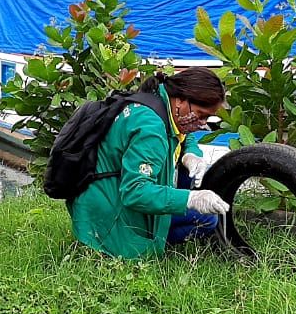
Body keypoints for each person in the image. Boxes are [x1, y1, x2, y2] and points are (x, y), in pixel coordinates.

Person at [68, 68, 230, 259]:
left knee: (195, 177)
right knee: (207, 219)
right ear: (181, 100)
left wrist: (191, 155)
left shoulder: (157, 100)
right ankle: (150, 243)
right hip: (109, 212)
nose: (202, 123)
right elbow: (135, 192)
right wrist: (189, 199)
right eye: (201, 115)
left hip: (101, 191)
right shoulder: (151, 131)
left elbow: (186, 136)